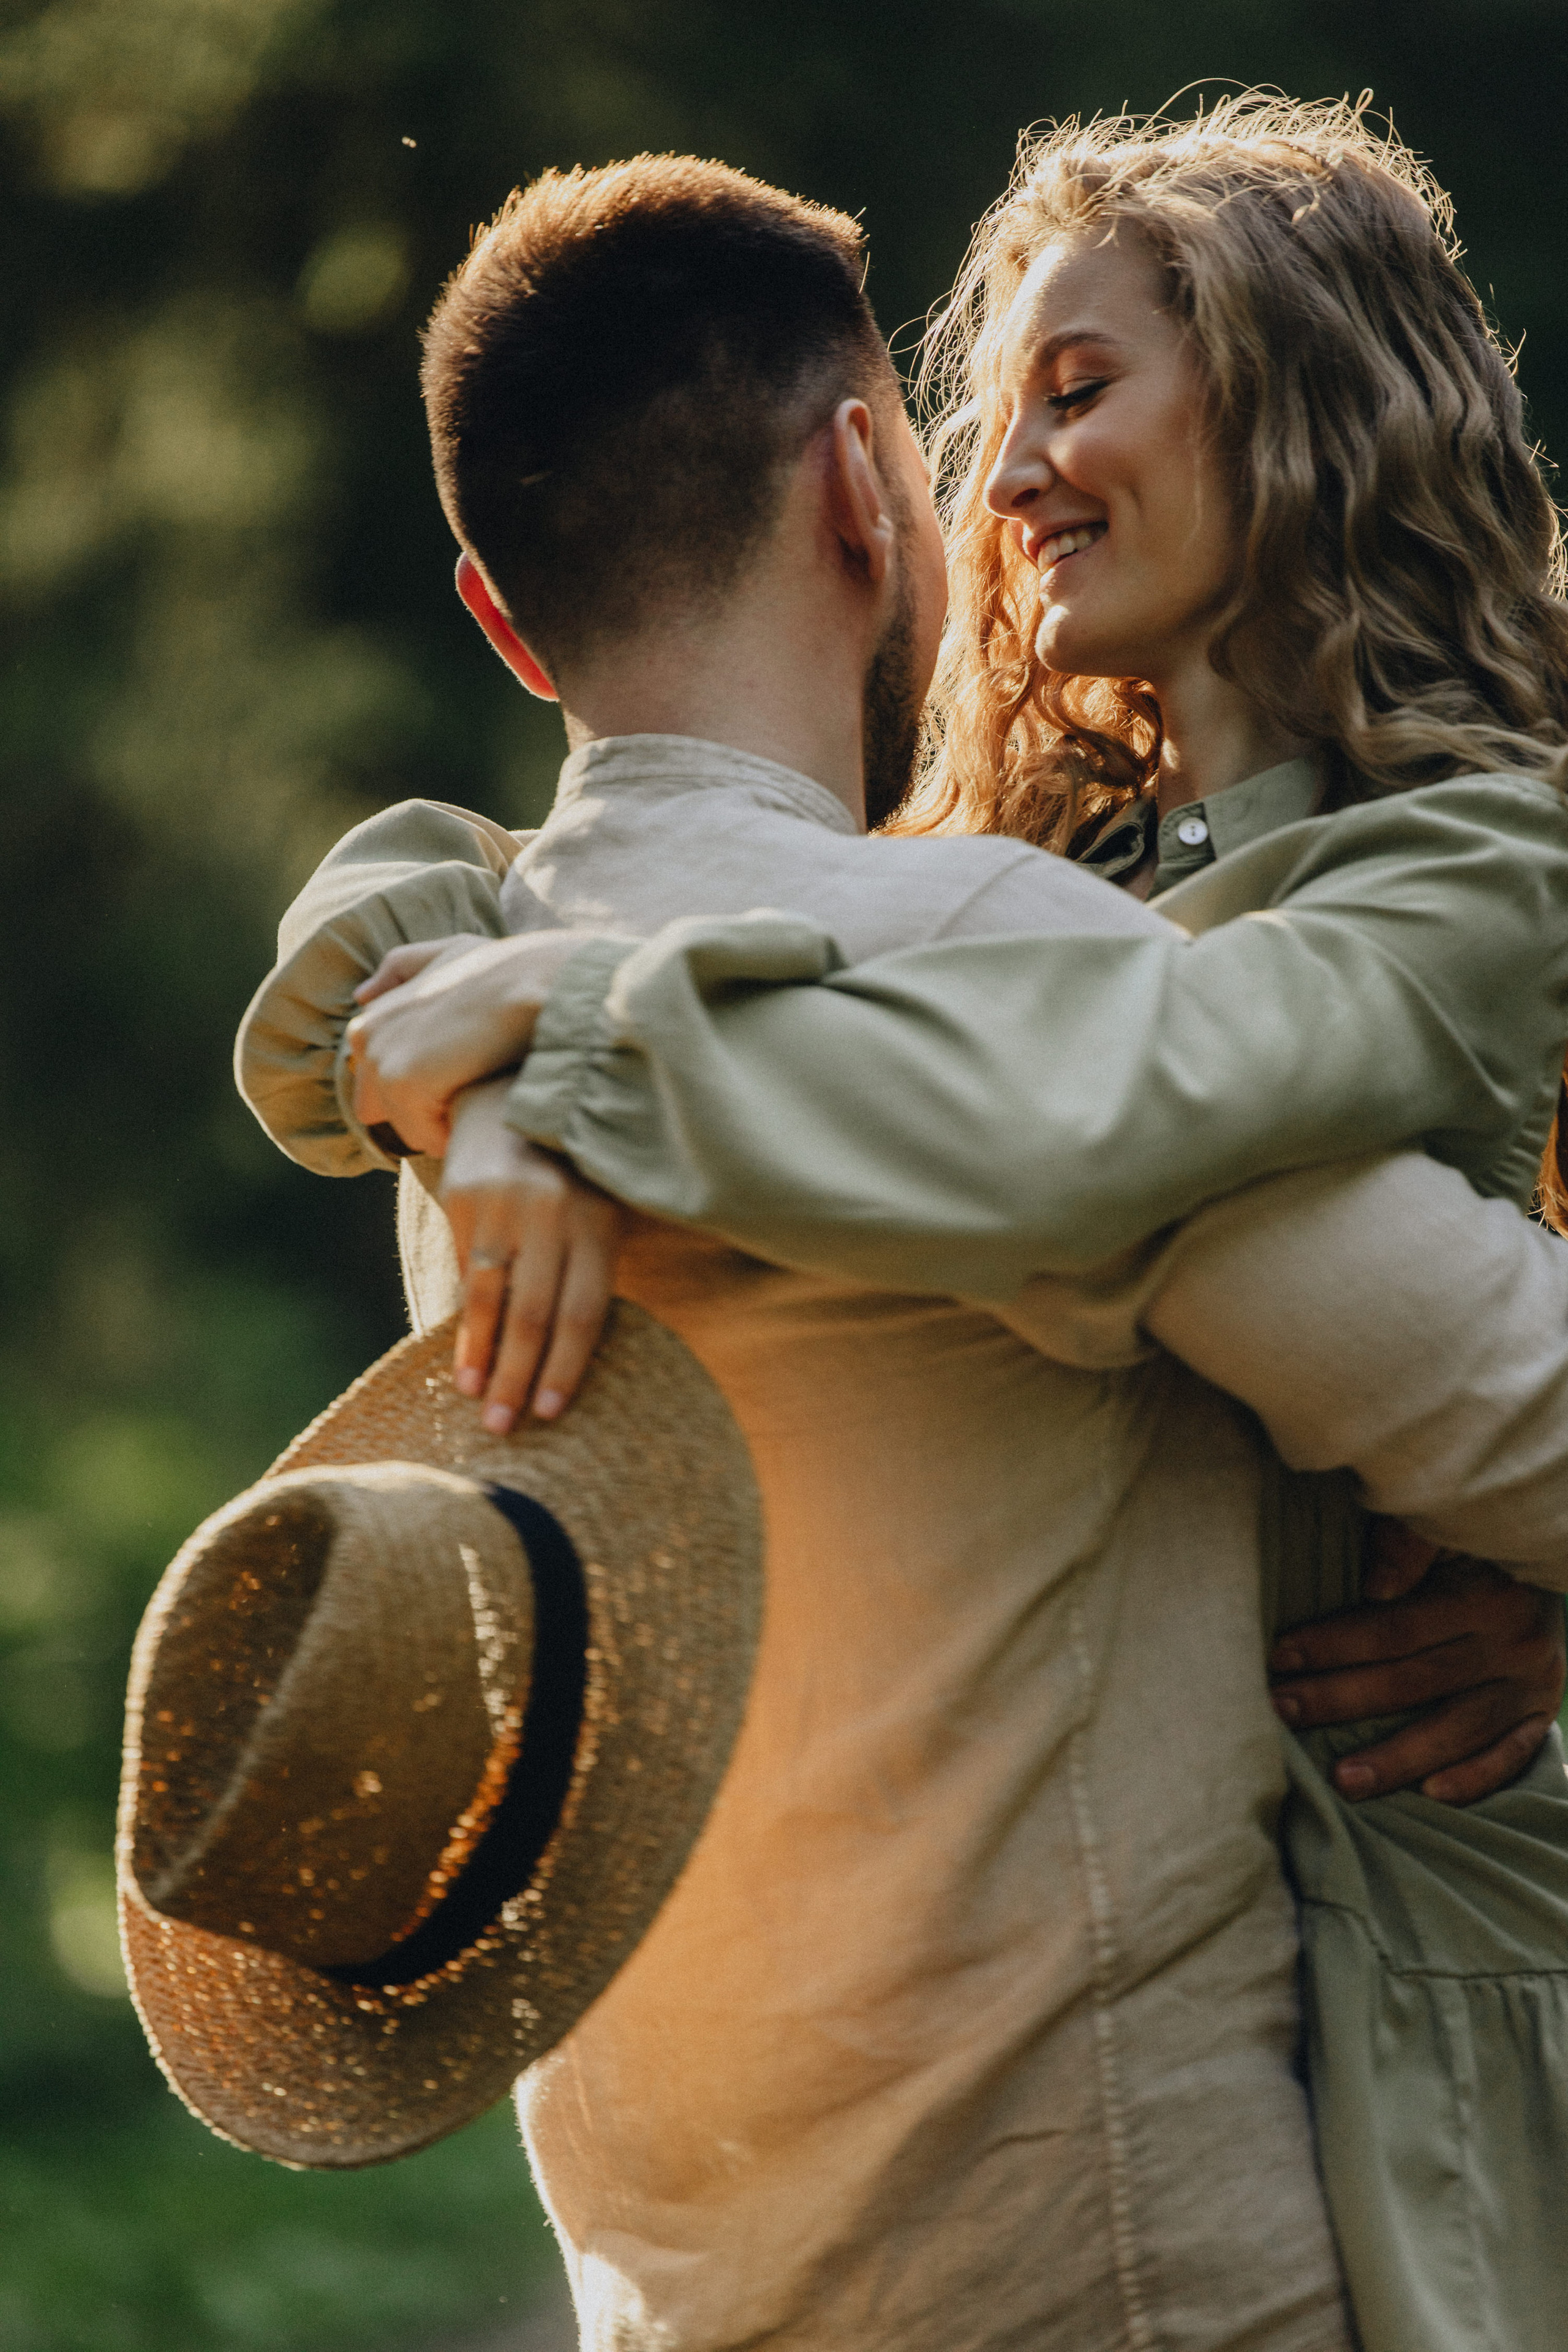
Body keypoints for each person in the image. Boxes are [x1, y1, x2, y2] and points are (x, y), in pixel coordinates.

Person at [239, 136, 1568, 2350]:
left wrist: (558, 1025)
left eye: (1080, 388)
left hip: (1384, 2004)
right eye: (992, 413)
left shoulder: (1458, 870)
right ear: (870, 485)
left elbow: (1156, 1086)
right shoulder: (1008, 897)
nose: (1014, 467)